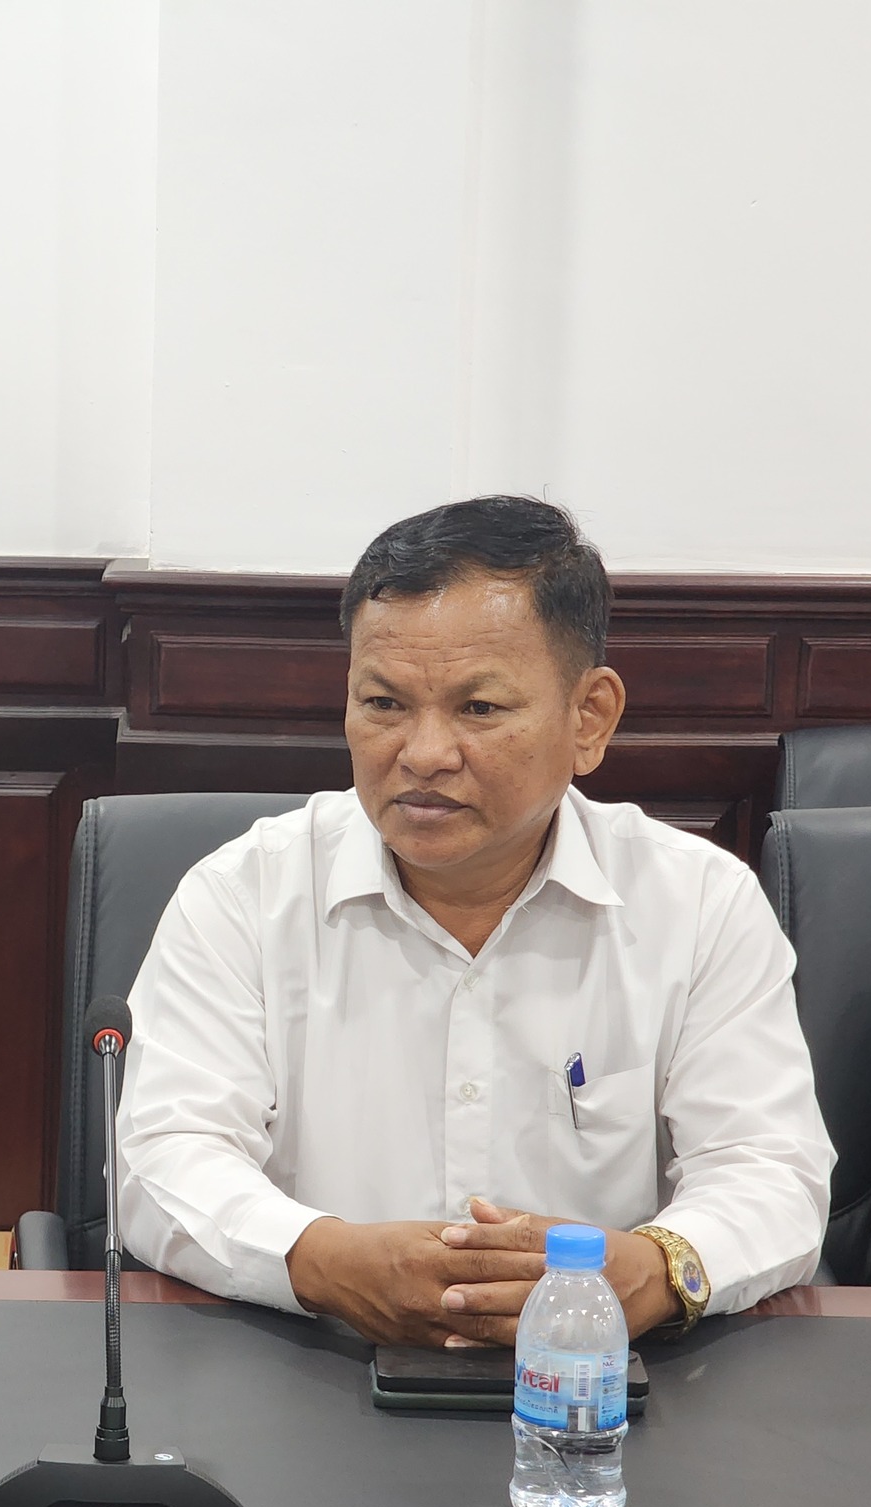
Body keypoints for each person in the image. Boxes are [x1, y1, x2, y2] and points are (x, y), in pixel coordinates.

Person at [113, 496, 834, 1347]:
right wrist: (325, 1261)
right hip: (309, 1357)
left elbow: (770, 1170)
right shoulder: (242, 894)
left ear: (590, 718)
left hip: (601, 1380)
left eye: (479, 709)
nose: (423, 754)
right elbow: (165, 1157)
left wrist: (651, 1269)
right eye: (384, 704)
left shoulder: (698, 903)